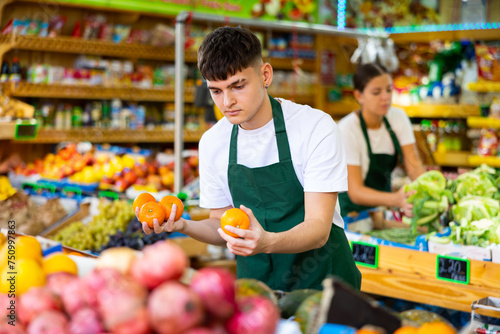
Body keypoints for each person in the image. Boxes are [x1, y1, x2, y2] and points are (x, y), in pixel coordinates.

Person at [139, 26, 361, 292]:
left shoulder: (314, 128)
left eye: (238, 86)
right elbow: (221, 224)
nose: (227, 102)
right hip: (256, 289)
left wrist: (266, 242)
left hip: (325, 284)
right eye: (216, 91)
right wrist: (184, 225)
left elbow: (318, 228)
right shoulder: (213, 143)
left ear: (265, 74)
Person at [337, 63, 425, 217]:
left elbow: (414, 166)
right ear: (359, 96)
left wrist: (429, 190)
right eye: (376, 92)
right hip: (350, 213)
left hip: (381, 210)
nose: (385, 97)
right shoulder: (347, 129)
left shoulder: (398, 118)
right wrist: (396, 200)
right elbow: (356, 191)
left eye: (389, 90)